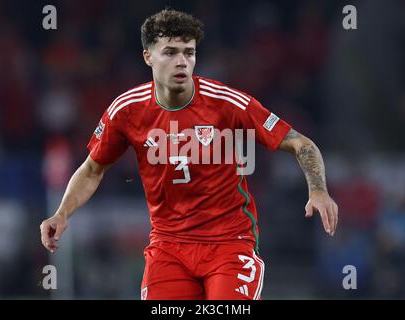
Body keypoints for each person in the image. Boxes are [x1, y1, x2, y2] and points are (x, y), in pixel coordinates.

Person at [40, 9, 338, 300]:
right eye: (170, 52)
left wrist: (318, 189)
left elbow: (301, 143)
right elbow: (93, 169)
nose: (182, 61)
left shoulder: (227, 103)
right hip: (168, 248)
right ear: (148, 57)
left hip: (229, 246)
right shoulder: (127, 110)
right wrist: (62, 213)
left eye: (189, 52)